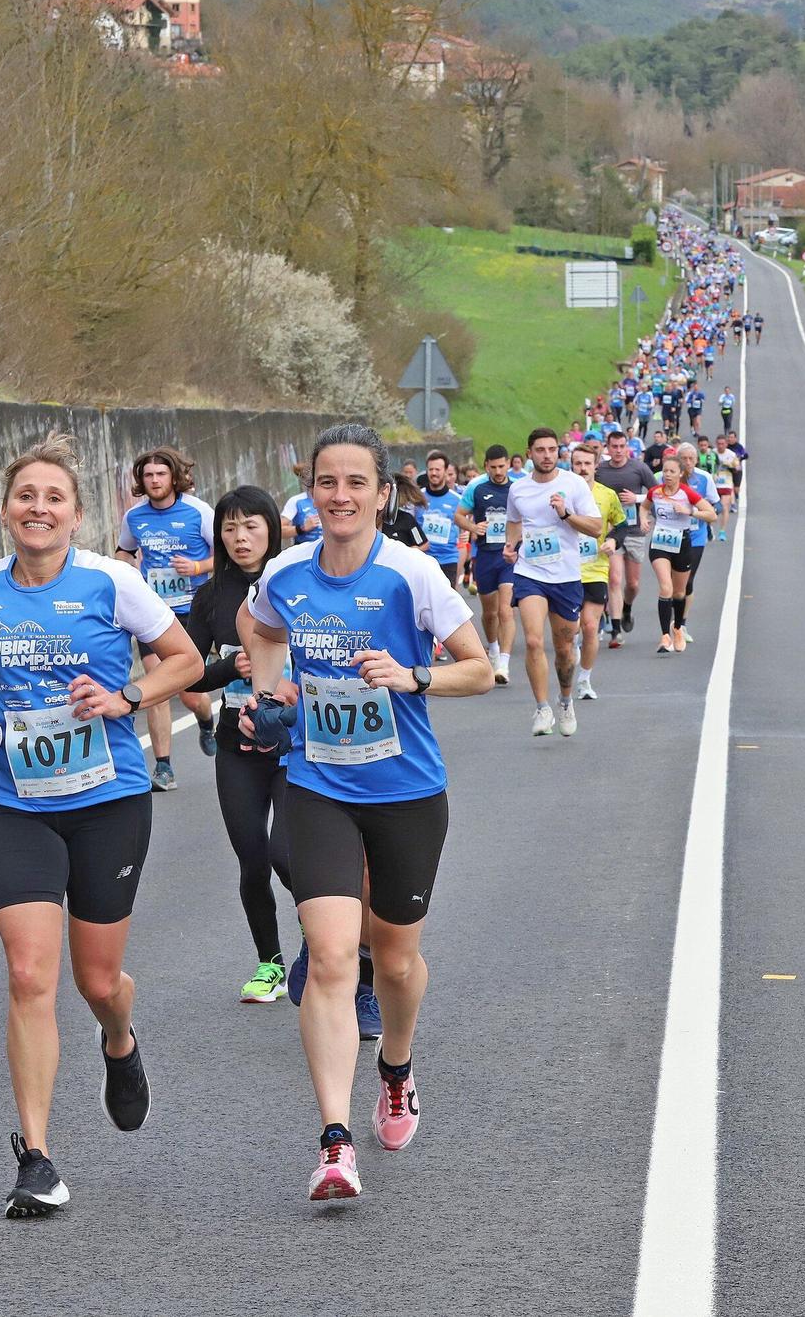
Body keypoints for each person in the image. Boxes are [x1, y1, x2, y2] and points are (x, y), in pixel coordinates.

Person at [0, 435, 202, 1217]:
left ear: (77, 516)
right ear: (7, 509)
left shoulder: (113, 584)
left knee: (95, 980)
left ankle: (119, 1038)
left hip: (108, 799)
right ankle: (37, 1156)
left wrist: (125, 699)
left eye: (54, 498)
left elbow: (183, 658)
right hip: (19, 798)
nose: (38, 509)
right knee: (26, 975)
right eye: (26, 496)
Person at [240, 421, 494, 1201]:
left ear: (382, 495)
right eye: (326, 482)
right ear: (308, 493)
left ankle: (397, 1067)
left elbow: (479, 671)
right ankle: (334, 1141)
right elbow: (259, 628)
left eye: (356, 482)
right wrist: (272, 689)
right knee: (330, 953)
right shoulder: (285, 573)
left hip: (407, 793)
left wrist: (411, 676)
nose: (340, 496)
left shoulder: (411, 575)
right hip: (317, 784)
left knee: (394, 962)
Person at [182, 486, 295, 1002]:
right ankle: (269, 963)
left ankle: (326, 944)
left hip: (297, 745)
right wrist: (230, 667)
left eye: (251, 526)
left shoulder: (298, 583)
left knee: (288, 856)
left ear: (271, 528)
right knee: (252, 856)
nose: (240, 537)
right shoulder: (210, 597)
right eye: (229, 528)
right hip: (236, 745)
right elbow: (186, 673)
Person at [114, 447, 216, 789]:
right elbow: (123, 551)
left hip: (193, 611)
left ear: (174, 477)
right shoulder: (135, 517)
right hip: (153, 613)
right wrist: (128, 566)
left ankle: (205, 719)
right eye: (148, 475)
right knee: (155, 683)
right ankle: (163, 767)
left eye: (160, 474)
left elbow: (228, 553)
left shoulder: (199, 512)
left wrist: (198, 567)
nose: (154, 480)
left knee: (189, 692)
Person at [504, 427, 603, 738]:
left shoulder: (573, 484)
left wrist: (565, 514)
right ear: (529, 453)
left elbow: (596, 528)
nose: (546, 455)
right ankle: (542, 707)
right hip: (529, 572)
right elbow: (513, 521)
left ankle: (564, 700)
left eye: (551, 450)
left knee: (563, 649)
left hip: (566, 577)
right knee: (534, 641)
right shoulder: (518, 489)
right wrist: (510, 546)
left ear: (558, 452)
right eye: (540, 450)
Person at [640, 458, 719, 653]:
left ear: (680, 474)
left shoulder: (687, 493)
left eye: (672, 471)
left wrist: (690, 511)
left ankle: (677, 629)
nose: (667, 474)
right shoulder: (655, 492)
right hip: (659, 543)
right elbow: (644, 506)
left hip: (682, 543)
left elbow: (712, 514)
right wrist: (643, 520)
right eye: (665, 471)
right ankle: (664, 636)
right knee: (665, 588)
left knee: (679, 593)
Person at [567, 442, 625, 701]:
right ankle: (573, 651)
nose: (582, 468)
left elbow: (622, 525)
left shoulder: (607, 495)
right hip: (564, 571)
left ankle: (584, 680)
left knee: (590, 626)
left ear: (595, 465)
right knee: (570, 630)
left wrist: (613, 540)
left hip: (595, 569)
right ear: (571, 465)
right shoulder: (561, 492)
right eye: (578, 463)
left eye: (587, 463)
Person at [456, 443, 517, 685]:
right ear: (486, 467)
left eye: (502, 466)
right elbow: (459, 515)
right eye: (494, 467)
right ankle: (492, 649)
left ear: (508, 463)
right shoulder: (477, 488)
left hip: (509, 557)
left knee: (506, 610)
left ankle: (504, 662)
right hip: (485, 556)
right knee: (490, 613)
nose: (499, 471)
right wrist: (473, 527)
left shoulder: (517, 489)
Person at [595, 427, 656, 641]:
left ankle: (627, 608)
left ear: (627, 448)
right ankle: (616, 629)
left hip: (634, 531)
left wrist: (637, 501)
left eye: (622, 446)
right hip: (612, 532)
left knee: (632, 584)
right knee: (614, 579)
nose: (618, 451)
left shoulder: (639, 469)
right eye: (614, 447)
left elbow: (656, 493)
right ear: (608, 448)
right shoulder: (600, 471)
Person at [673, 442, 721, 634]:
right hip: (671, 534)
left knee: (688, 580)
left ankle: (681, 624)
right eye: (683, 458)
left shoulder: (704, 478)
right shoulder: (668, 477)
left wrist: (696, 512)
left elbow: (716, 506)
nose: (688, 462)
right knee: (671, 582)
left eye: (691, 458)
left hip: (696, 535)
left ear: (696, 459)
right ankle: (672, 621)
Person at [417, 451, 463, 586]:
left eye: (438, 469)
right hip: (423, 559)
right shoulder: (418, 498)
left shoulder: (457, 499)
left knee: (446, 604)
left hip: (447, 559)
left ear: (445, 471)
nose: (434, 473)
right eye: (431, 469)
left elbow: (465, 526)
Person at [280, 461, 321, 546]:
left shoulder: (332, 498)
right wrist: (302, 528)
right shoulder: (296, 501)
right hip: (304, 552)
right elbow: (279, 531)